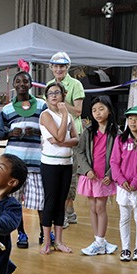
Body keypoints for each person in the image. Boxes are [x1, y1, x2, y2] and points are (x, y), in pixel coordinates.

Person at [1, 71, 46, 248]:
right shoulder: (7, 109)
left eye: (25, 81)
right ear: (14, 85)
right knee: (15, 201)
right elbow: (1, 132)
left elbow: (50, 128)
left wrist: (37, 132)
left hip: (36, 162)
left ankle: (45, 232)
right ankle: (21, 233)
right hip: (14, 162)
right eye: (18, 81)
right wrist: (10, 133)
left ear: (31, 84)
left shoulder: (42, 106)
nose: (21, 84)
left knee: (40, 201)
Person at [75, 96, 119, 256]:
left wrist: (110, 174)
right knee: (92, 207)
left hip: (105, 177)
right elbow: (79, 151)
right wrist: (87, 170)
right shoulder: (88, 131)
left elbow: (118, 156)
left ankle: (100, 241)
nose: (97, 113)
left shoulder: (116, 132)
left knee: (100, 207)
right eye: (94, 110)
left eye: (101, 109)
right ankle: (99, 240)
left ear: (109, 110)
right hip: (91, 176)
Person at [46, 51, 85, 226]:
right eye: (55, 66)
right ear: (51, 68)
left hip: (72, 134)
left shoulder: (76, 84)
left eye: (62, 66)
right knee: (54, 171)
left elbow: (78, 111)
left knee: (70, 174)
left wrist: (61, 103)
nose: (58, 69)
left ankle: (68, 210)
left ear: (68, 67)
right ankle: (63, 211)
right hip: (54, 133)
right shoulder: (48, 84)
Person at [38, 83, 78, 254]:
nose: (54, 96)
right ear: (46, 97)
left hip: (66, 163)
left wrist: (62, 141)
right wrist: (63, 116)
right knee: (50, 201)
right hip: (50, 164)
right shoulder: (45, 115)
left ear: (63, 95)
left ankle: (59, 241)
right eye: (50, 93)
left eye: (57, 92)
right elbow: (61, 135)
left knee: (61, 202)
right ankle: (47, 241)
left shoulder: (67, 115)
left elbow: (76, 139)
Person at [110, 106, 137, 261]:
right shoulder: (120, 139)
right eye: (130, 118)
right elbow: (114, 162)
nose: (133, 122)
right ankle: (126, 248)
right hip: (123, 187)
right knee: (124, 218)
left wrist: (136, 182)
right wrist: (121, 180)